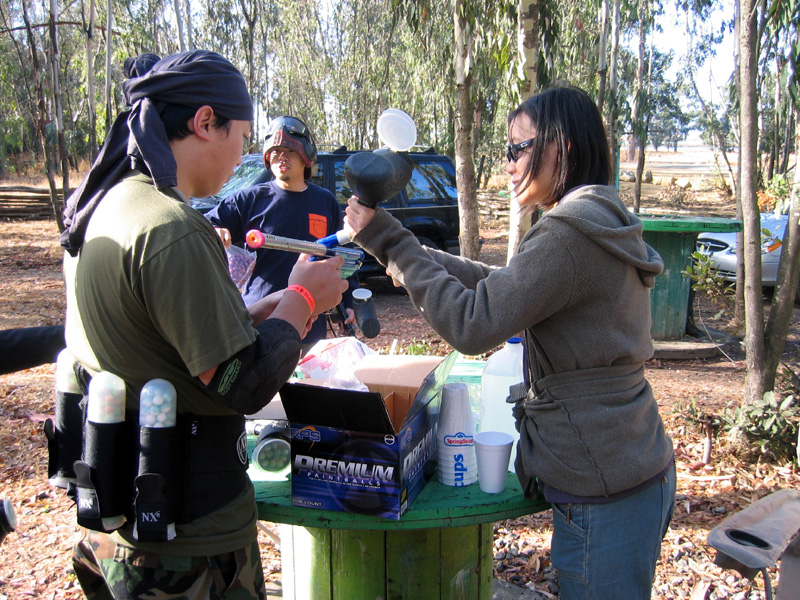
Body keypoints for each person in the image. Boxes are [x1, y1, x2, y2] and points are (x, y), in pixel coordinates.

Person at [343, 85, 676, 599]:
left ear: (562, 147)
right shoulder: (595, 218)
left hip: (606, 485)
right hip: (628, 463)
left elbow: (472, 325)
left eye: (518, 149)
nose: (509, 164)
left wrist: (391, 241)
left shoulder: (569, 234)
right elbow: (506, 287)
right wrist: (411, 253)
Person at [58, 50, 347, 599]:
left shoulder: (110, 206)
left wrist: (259, 310)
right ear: (205, 122)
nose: (244, 153)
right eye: (242, 136)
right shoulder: (172, 227)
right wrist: (305, 297)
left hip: (119, 528)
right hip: (186, 550)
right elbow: (243, 382)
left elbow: (158, 339)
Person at [206, 116, 356, 352]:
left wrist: (349, 301)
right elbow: (203, 225)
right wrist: (215, 230)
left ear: (306, 157)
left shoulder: (324, 201)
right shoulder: (249, 199)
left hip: (309, 321)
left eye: (290, 151)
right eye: (275, 151)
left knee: (304, 375)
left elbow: (340, 255)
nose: (281, 157)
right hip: (259, 319)